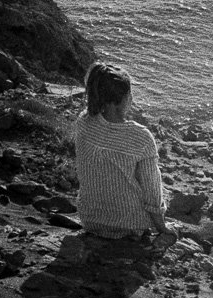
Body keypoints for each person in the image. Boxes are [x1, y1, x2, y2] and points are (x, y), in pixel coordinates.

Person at [73, 63, 171, 244]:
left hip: (90, 220)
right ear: (124, 98)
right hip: (130, 223)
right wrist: (161, 227)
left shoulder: (83, 122)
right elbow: (152, 191)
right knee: (156, 185)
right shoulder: (140, 137)